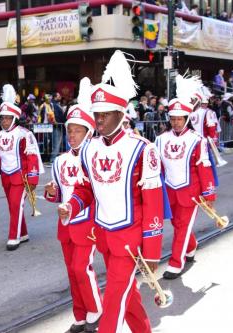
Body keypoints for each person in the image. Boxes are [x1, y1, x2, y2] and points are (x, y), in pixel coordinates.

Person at [58, 50, 165, 333]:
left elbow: (154, 205)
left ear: (121, 113)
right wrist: (73, 205)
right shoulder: (89, 148)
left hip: (131, 239)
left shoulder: (143, 149)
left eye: (105, 114)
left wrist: (153, 250)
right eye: (96, 115)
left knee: (114, 299)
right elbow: (85, 188)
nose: (99, 120)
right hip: (104, 235)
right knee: (128, 296)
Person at [44, 78, 102, 333]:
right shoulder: (59, 161)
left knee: (81, 268)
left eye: (78, 130)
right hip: (65, 224)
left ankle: (96, 310)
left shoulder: (98, 156)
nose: (72, 135)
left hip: (88, 223)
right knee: (71, 271)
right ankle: (80, 314)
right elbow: (59, 195)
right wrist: (51, 193)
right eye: (70, 130)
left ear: (89, 132)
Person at [155, 75, 217, 279]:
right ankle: (191, 247)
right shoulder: (160, 139)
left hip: (191, 192)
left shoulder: (197, 140)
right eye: (173, 119)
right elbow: (157, 167)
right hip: (169, 191)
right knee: (178, 225)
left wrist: (208, 193)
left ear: (186, 119)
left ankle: (176, 263)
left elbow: (204, 167)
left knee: (182, 227)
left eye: (179, 119)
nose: (176, 122)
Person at [0, 84, 43, 251]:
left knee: (16, 204)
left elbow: (31, 157)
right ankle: (23, 232)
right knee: (12, 206)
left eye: (7, 118)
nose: (4, 121)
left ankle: (14, 236)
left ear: (14, 118)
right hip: (6, 177)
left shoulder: (24, 134)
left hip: (22, 176)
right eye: (2, 118)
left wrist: (33, 178)